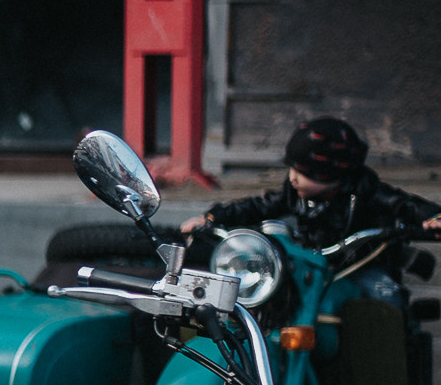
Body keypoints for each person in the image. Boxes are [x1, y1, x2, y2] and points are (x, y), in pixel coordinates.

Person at [180, 117, 441, 298]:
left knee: (382, 295)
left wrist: (432, 216)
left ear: (330, 173)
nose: (293, 178)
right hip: (309, 266)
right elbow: (259, 206)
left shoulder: (364, 190)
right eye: (291, 169)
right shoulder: (294, 192)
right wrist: (214, 218)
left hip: (357, 267)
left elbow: (402, 203)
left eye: (303, 173)